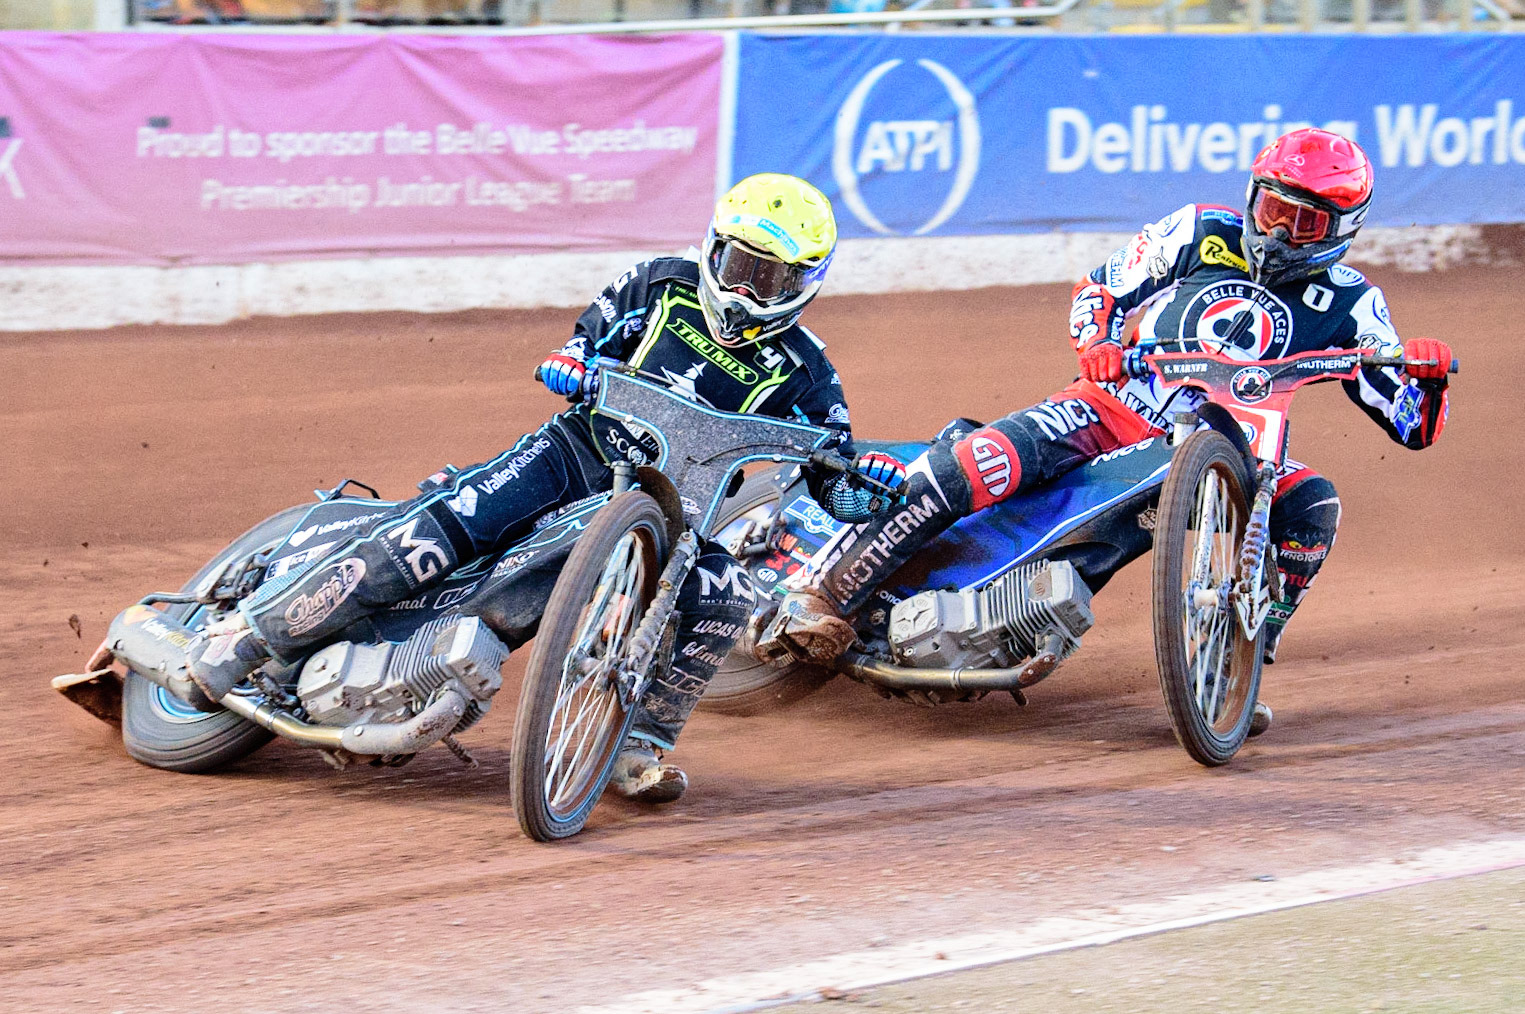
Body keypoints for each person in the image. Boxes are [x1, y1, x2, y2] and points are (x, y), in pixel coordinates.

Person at [183, 173, 907, 802]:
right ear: (713, 250)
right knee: (435, 533)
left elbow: (828, 481)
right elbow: (584, 341)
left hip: (681, 519)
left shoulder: (809, 376)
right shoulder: (659, 284)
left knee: (727, 595)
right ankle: (249, 634)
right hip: (572, 457)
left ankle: (639, 746)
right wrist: (571, 360)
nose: (748, 290)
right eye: (739, 265)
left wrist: (867, 487)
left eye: (772, 278)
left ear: (805, 286)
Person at [761, 129, 1453, 733]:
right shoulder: (1197, 230)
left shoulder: (1354, 304)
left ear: (1339, 231)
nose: (1276, 233)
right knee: (980, 461)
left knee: (1315, 506)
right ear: (1251, 196)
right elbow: (1100, 288)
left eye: (1300, 225)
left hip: (1232, 454)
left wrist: (1426, 378)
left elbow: (1412, 427)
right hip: (1107, 406)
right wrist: (1095, 341)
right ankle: (821, 593)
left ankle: (1242, 654)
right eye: (1272, 210)